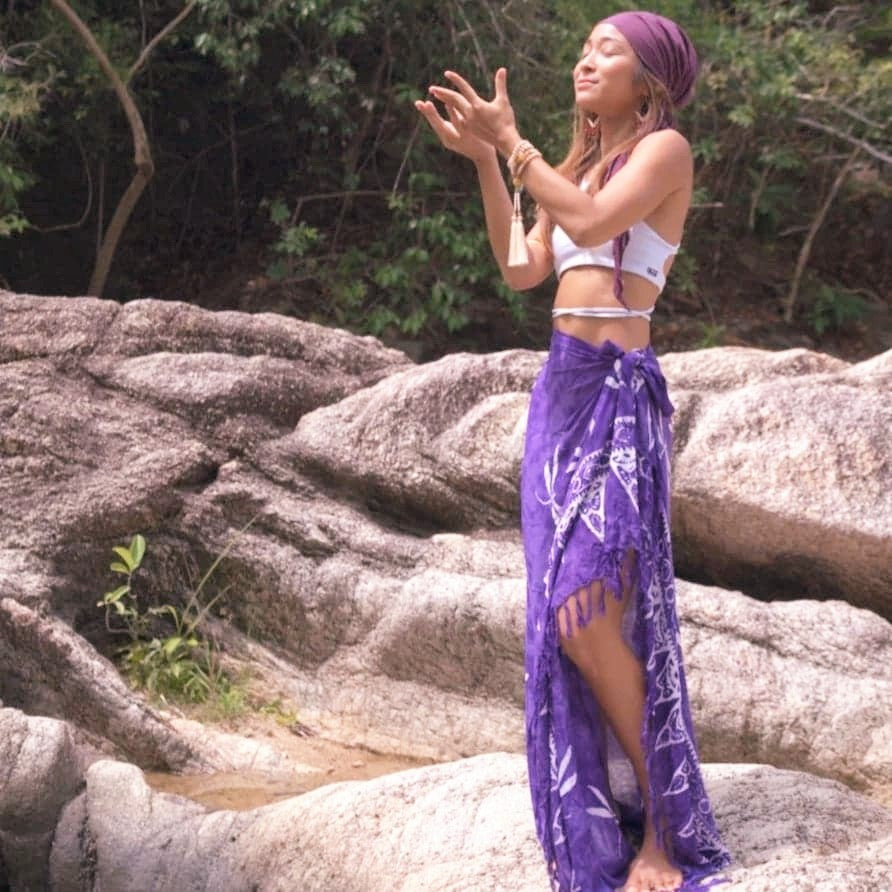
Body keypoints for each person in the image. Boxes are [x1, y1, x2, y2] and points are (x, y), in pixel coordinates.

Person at [415, 9, 733, 892]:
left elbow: (591, 216)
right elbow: (522, 267)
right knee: (566, 614)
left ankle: (666, 833)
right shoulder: (580, 164)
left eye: (608, 51)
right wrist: (488, 161)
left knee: (594, 611)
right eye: (585, 48)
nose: (586, 61)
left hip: (621, 393)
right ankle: (627, 816)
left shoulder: (662, 150)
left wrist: (516, 146)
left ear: (651, 79)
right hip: (560, 393)